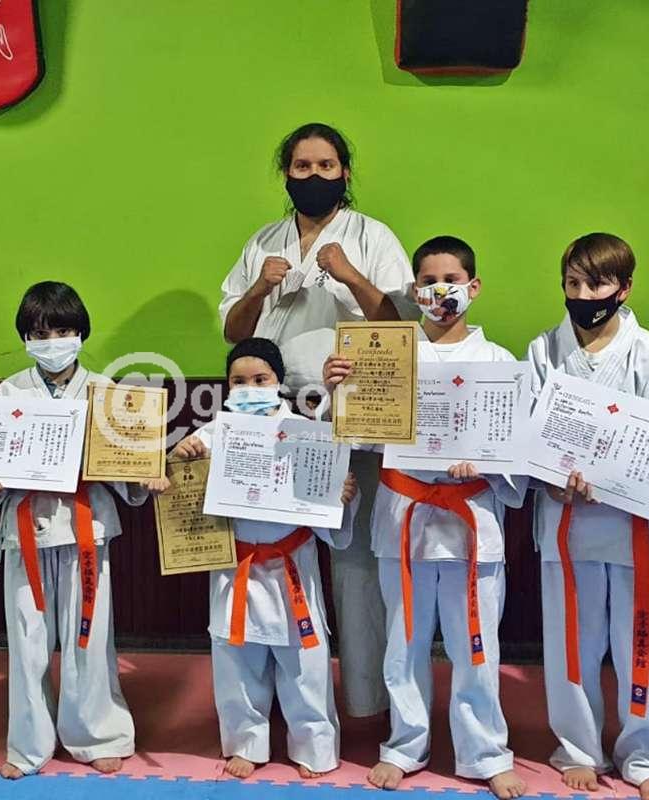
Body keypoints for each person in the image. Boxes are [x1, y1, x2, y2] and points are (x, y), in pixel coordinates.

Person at [219, 122, 412, 717]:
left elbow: (401, 324)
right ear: (287, 174)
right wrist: (259, 287)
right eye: (302, 167)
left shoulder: (372, 236)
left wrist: (349, 273)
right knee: (280, 550)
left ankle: (365, 699)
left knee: (356, 561)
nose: (313, 176)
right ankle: (286, 701)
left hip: (355, 410)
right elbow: (233, 332)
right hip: (273, 414)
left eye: (325, 166)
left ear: (344, 172)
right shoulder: (264, 242)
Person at [327, 237, 526, 797]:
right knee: (404, 644)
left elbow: (517, 448)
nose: (440, 291)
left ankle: (486, 751)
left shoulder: (500, 362)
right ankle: (404, 745)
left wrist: (484, 462)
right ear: (414, 292)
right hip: (405, 518)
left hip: (471, 519)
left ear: (474, 287)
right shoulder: (389, 354)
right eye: (429, 282)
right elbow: (360, 437)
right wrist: (338, 390)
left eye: (452, 280)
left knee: (476, 645)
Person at [0, 281, 154, 779]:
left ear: (81, 333)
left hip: (86, 527)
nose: (52, 342)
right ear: (25, 338)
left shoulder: (107, 392)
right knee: (26, 642)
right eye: (40, 333)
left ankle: (98, 735)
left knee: (89, 637)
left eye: (63, 331)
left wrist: (141, 476)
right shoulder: (9, 392)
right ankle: (28, 744)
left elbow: (126, 473)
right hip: (25, 529)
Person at [526, 233, 649, 800]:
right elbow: (529, 431)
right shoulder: (544, 349)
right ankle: (578, 747)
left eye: (597, 284)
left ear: (624, 288)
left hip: (636, 523)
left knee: (643, 639)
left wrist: (620, 477)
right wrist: (551, 477)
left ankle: (646, 752)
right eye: (573, 283)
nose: (584, 295)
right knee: (574, 639)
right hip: (568, 518)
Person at [163, 337, 357, 779]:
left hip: (291, 564)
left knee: (304, 663)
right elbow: (175, 495)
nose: (249, 388)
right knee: (236, 660)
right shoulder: (213, 434)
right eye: (239, 381)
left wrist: (342, 496)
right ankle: (246, 742)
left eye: (260, 379)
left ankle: (314, 745)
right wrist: (179, 460)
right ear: (227, 386)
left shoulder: (307, 432)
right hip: (236, 566)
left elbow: (330, 508)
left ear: (278, 382)